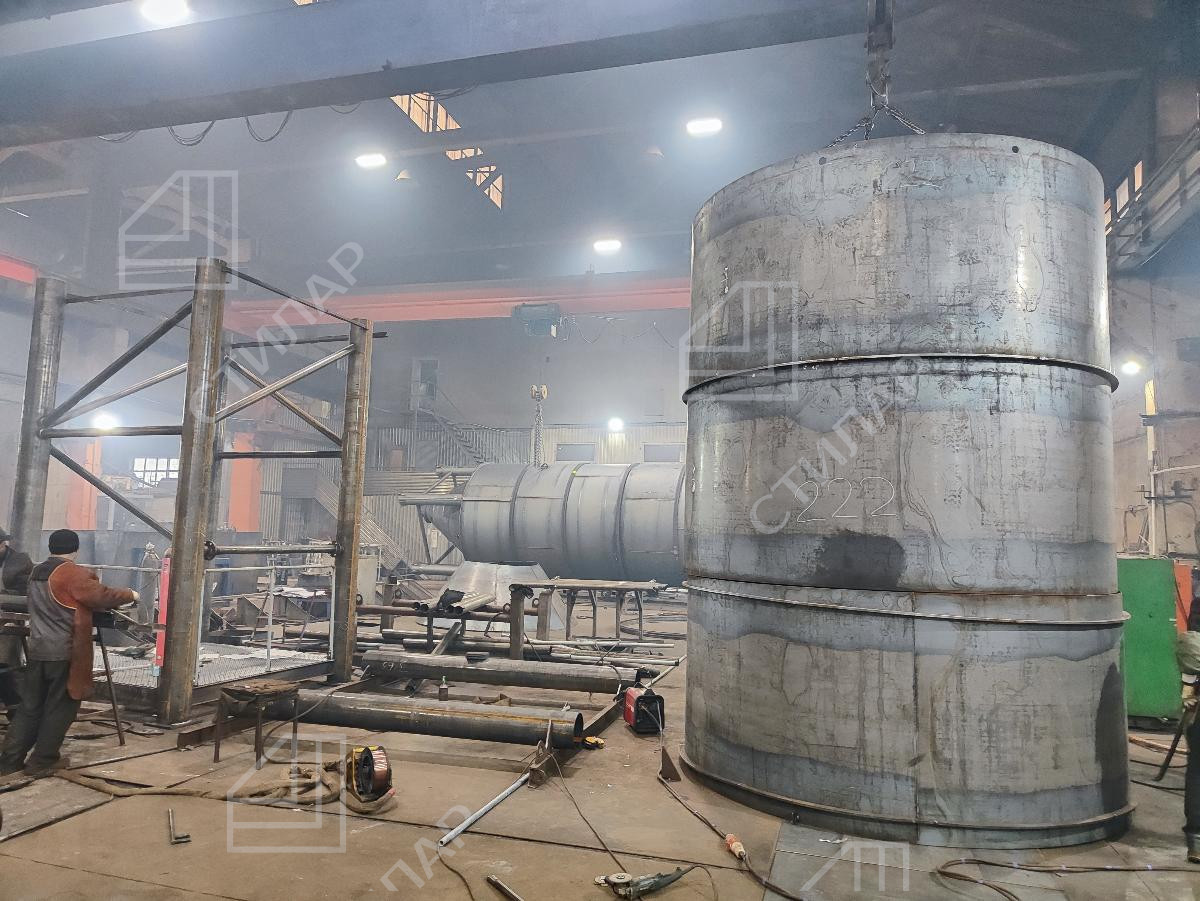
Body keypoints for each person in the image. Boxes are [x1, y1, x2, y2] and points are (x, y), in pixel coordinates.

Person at [0, 529, 136, 776]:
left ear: (51, 547)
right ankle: (43, 760)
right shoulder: (71, 573)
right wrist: (131, 594)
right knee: (61, 707)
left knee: (29, 707)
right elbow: (102, 595)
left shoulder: (36, 572)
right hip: (64, 652)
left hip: (38, 649)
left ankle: (9, 761)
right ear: (75, 549)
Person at [0, 527, 33, 719]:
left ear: (2, 545)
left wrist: (4, 596)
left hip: (10, 619)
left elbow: (24, 592)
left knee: (5, 663)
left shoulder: (20, 562)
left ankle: (15, 707)